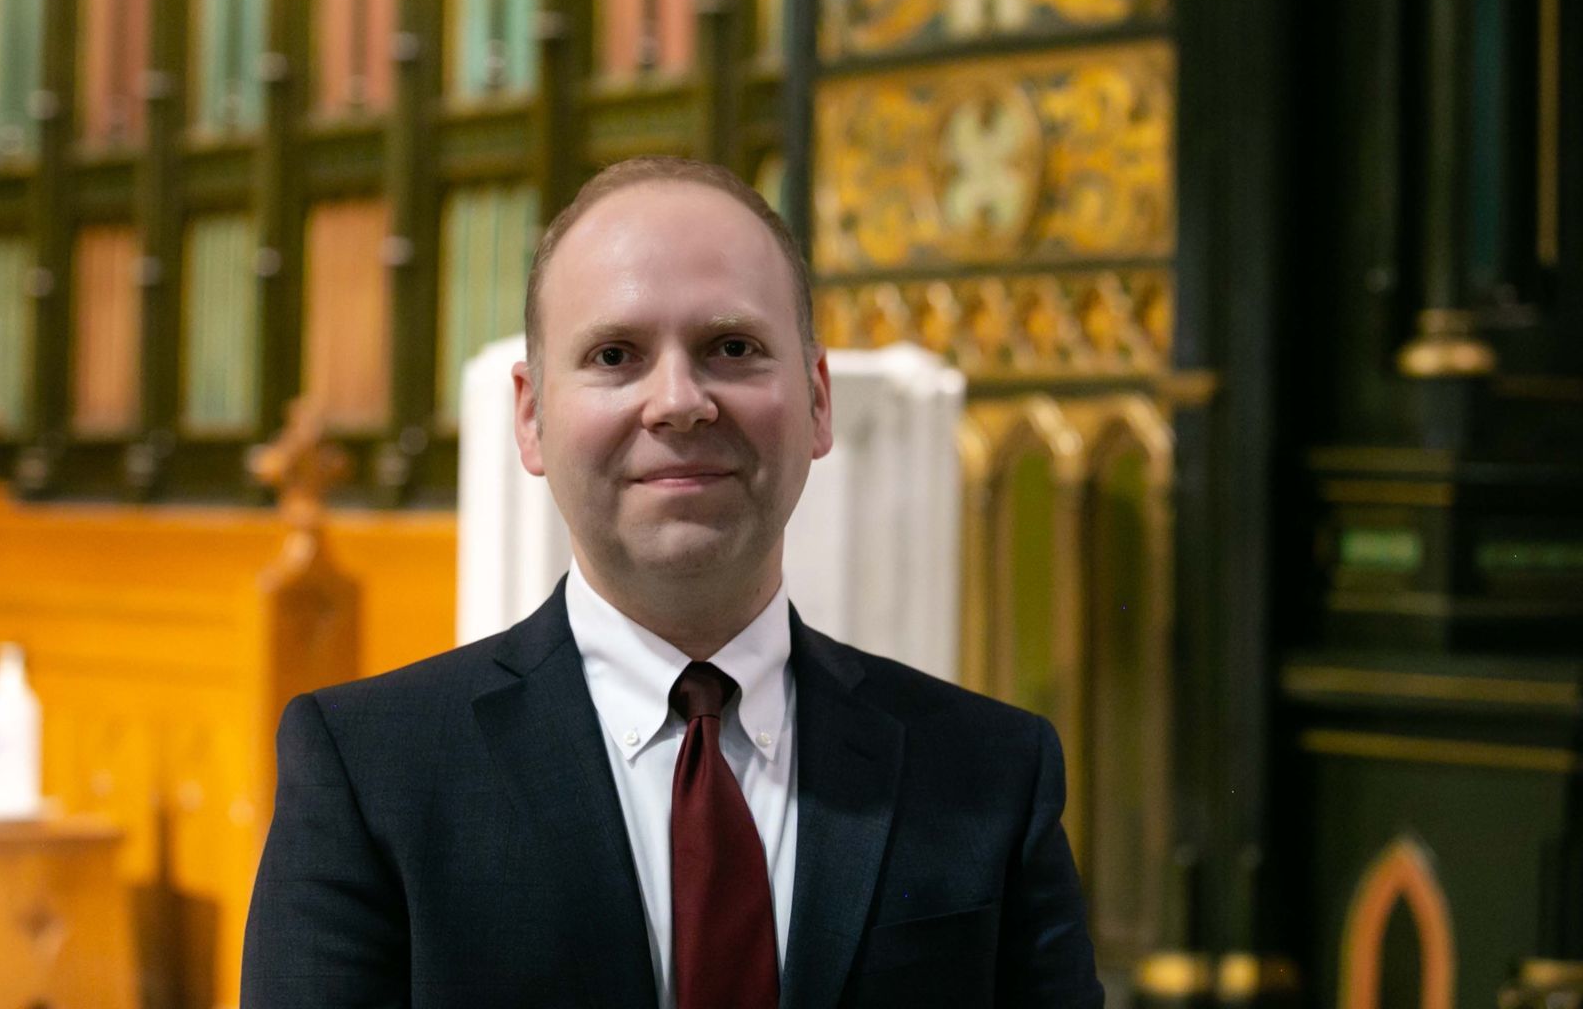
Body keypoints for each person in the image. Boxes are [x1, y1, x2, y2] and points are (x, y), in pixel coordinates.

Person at [241, 158, 1103, 1008]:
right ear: (532, 417)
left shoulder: (990, 773)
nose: (680, 401)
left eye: (733, 347)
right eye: (616, 354)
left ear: (816, 402)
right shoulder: (372, 776)